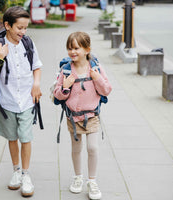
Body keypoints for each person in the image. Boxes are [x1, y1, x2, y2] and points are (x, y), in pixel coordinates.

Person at [0, 6, 43, 197]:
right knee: (12, 138)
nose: (23, 32)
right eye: (19, 28)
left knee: (26, 138)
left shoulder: (28, 42)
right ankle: (16, 171)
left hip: (27, 100)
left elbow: (37, 66)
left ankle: (26, 175)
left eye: (25, 28)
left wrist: (36, 84)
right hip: (7, 101)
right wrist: (1, 58)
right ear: (7, 25)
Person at [53, 32, 112, 200]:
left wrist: (97, 78)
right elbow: (58, 95)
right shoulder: (65, 70)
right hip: (73, 117)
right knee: (76, 149)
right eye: (70, 48)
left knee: (92, 148)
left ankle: (92, 181)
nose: (72, 52)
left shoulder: (96, 68)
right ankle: (78, 177)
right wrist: (65, 86)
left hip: (92, 116)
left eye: (76, 48)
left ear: (87, 49)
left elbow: (106, 90)